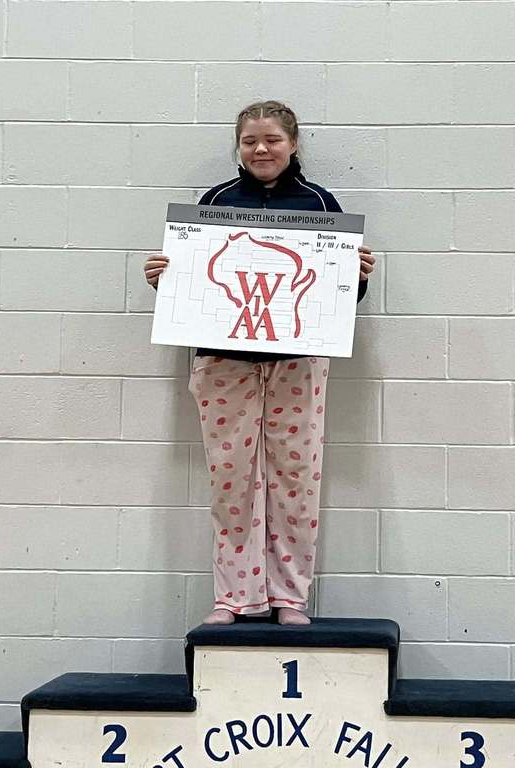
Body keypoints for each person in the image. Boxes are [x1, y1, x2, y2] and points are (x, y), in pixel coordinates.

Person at [145, 100, 375, 626]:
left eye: (271, 139)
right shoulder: (216, 202)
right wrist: (168, 278)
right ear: (238, 147)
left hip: (297, 360)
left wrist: (356, 276)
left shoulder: (319, 204)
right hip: (225, 359)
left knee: (297, 474)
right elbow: (198, 284)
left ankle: (289, 597)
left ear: (293, 144)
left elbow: (336, 299)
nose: (261, 149)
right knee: (231, 477)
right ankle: (235, 597)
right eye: (250, 141)